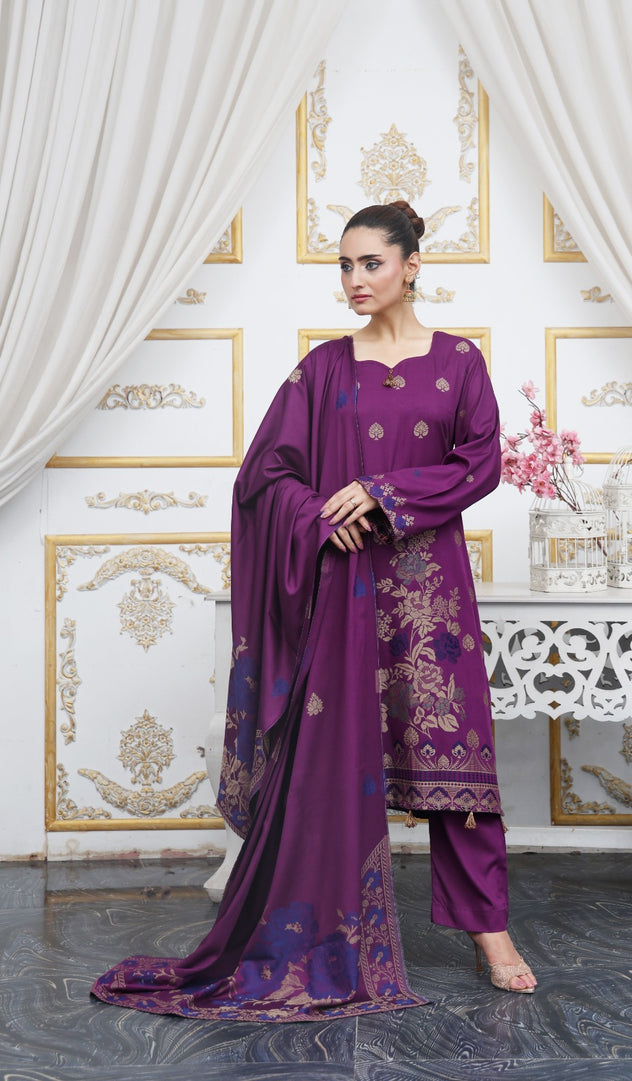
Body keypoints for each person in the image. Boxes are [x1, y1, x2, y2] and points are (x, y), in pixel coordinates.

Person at [91, 200, 536, 1023]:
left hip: (430, 598)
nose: (355, 279)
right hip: (344, 592)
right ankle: (327, 929)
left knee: (457, 761)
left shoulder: (459, 362)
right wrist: (321, 514)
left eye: (371, 263)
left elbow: (479, 464)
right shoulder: (324, 369)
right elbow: (264, 475)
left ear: (411, 265)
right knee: (331, 757)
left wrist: (383, 491)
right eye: (345, 265)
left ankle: (491, 930)